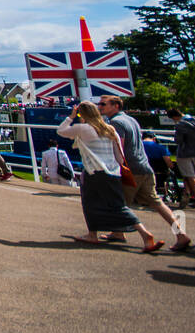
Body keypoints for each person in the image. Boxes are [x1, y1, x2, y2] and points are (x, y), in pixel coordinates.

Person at [57, 102, 163, 250]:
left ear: (83, 115)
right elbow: (119, 156)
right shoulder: (110, 129)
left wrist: (71, 116)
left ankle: (94, 234)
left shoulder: (84, 128)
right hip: (113, 172)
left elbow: (61, 131)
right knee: (117, 205)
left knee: (90, 203)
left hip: (94, 171)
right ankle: (141, 233)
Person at [102, 97, 192, 251]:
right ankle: (181, 234)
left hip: (131, 168)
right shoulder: (131, 120)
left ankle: (139, 235)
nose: (100, 106)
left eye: (104, 104)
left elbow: (119, 146)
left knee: (120, 203)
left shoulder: (115, 123)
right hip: (144, 166)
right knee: (157, 203)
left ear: (115, 106)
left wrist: (113, 167)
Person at [167, 107, 195, 208]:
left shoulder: (180, 125)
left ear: (175, 117)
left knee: (189, 176)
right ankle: (186, 195)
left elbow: (178, 140)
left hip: (185, 153)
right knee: (189, 176)